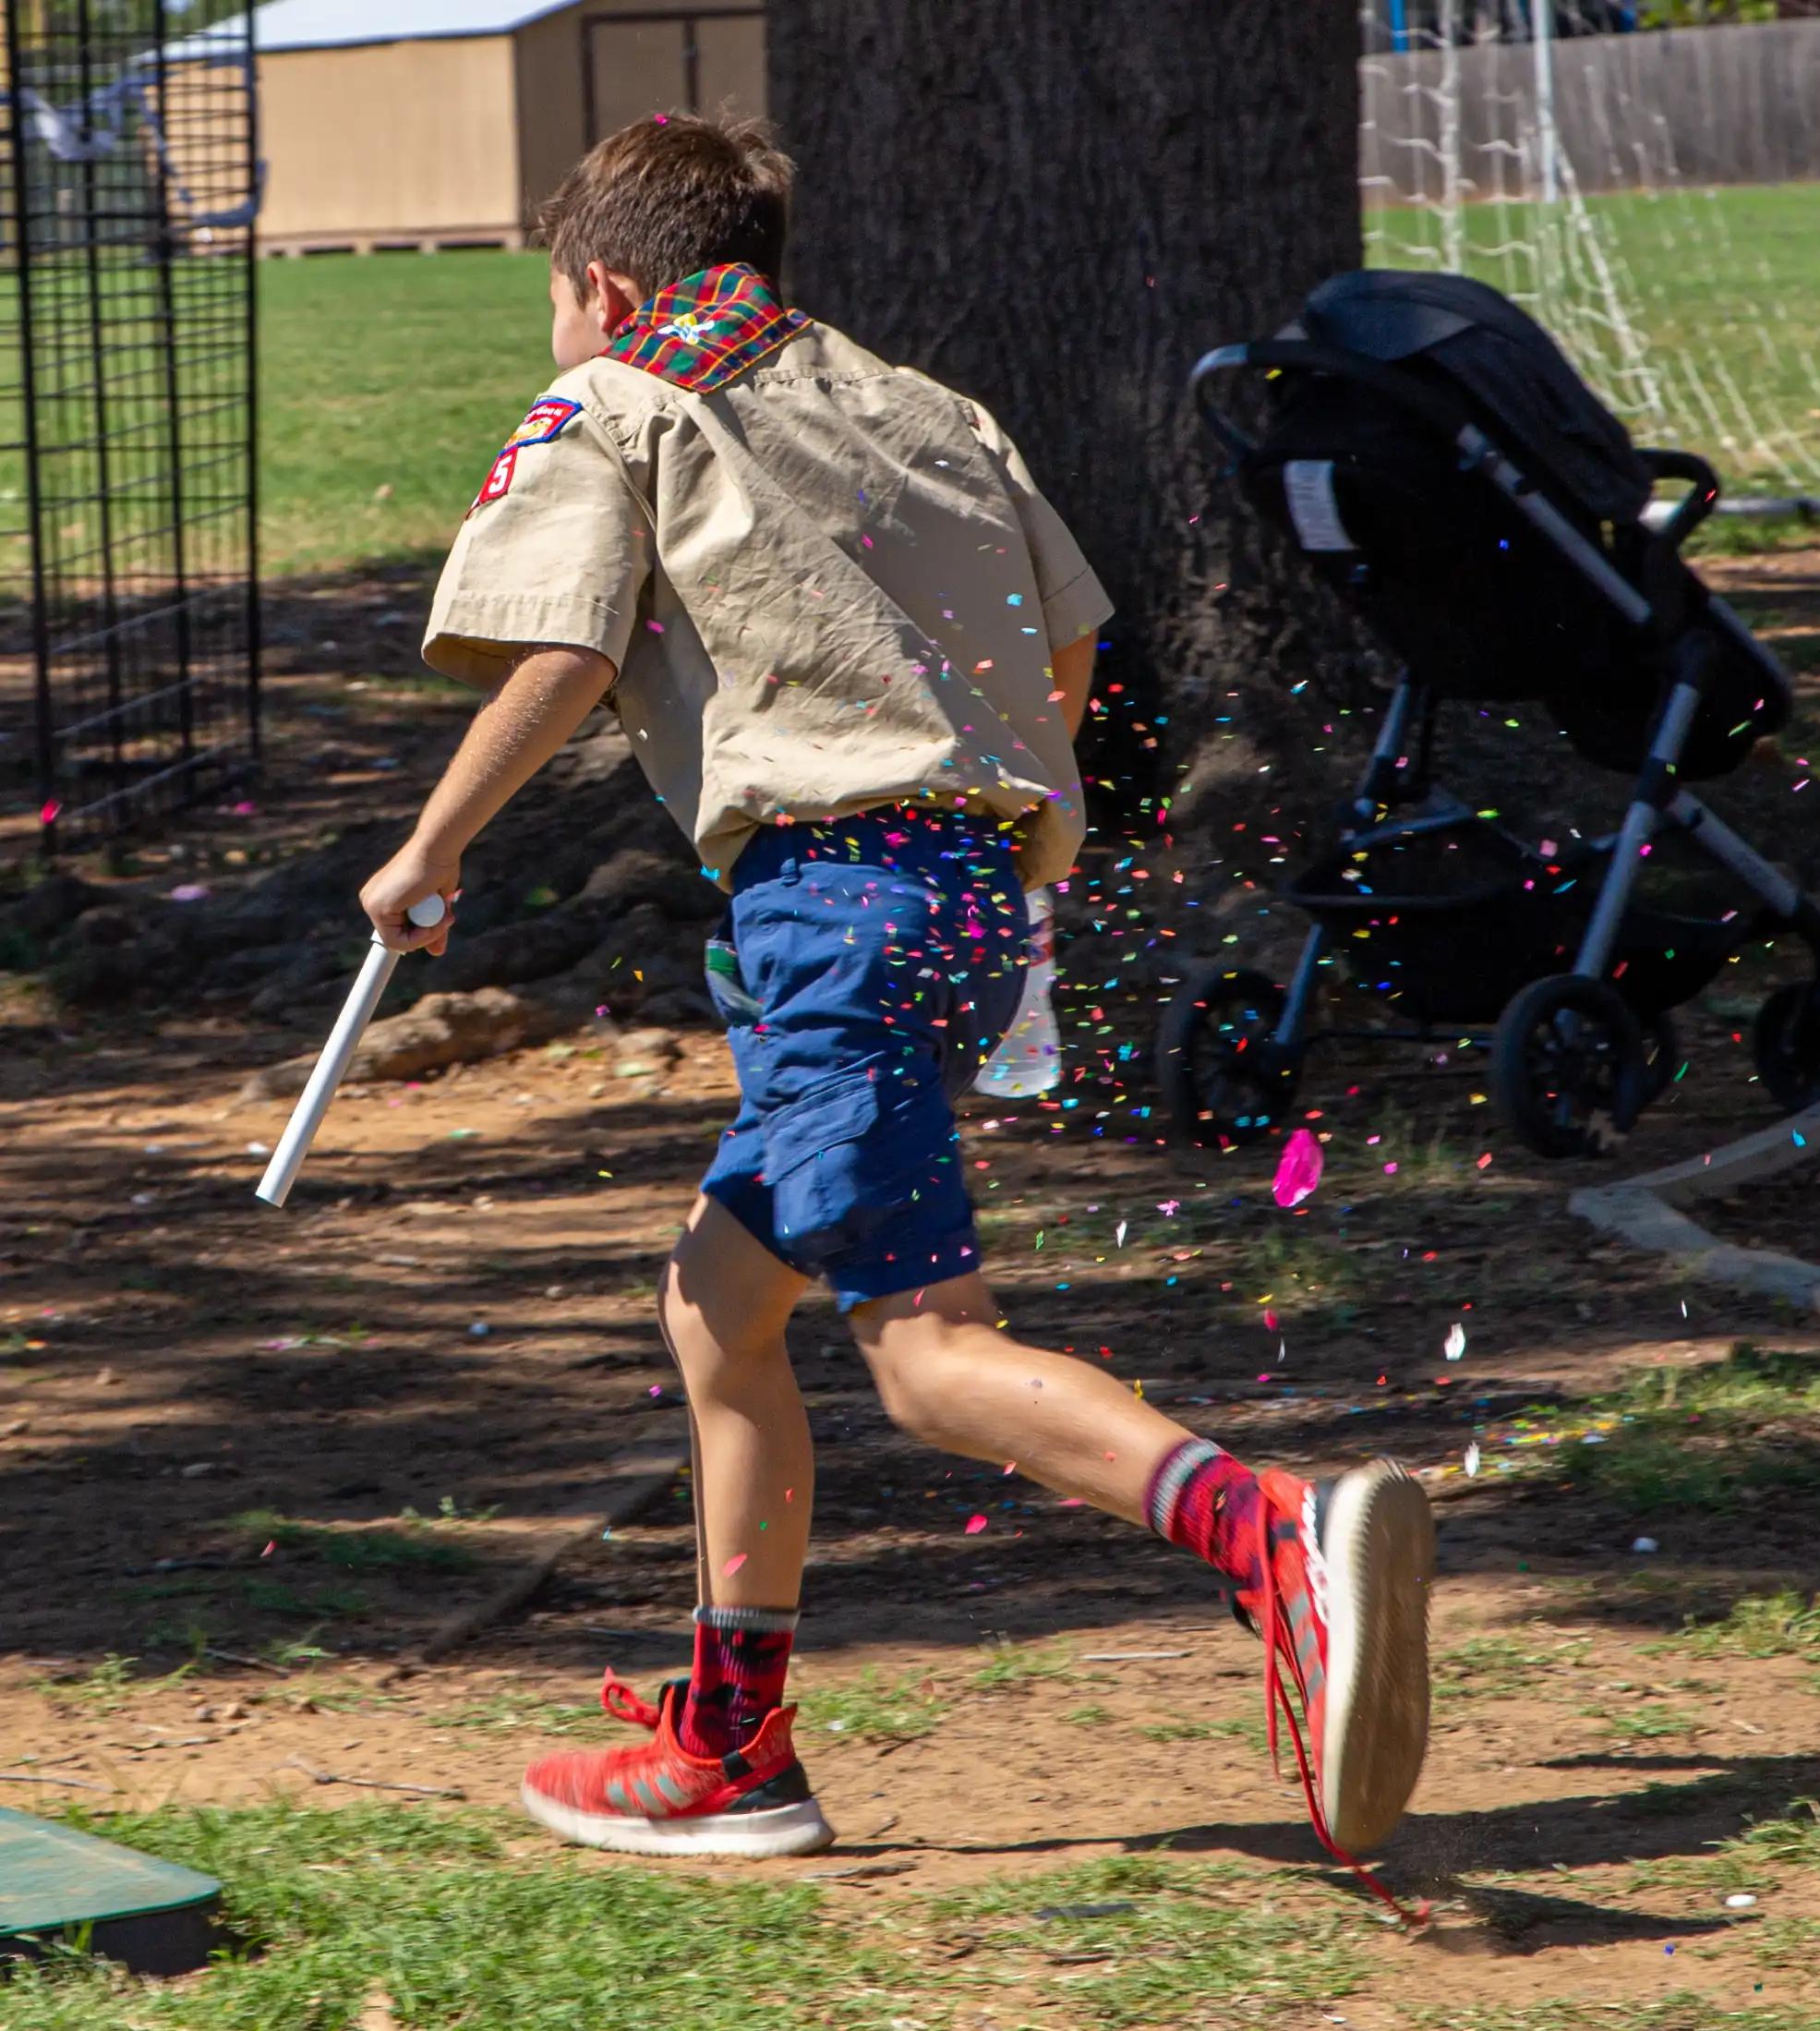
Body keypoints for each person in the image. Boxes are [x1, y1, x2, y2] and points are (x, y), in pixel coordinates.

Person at [356, 115, 1435, 1878]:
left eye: (557, 296)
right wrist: (992, 819)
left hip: (835, 903)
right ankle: (734, 1747)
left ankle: (1278, 1539)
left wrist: (431, 852)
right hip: (960, 894)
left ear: (608, 284)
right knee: (720, 1305)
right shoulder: (929, 405)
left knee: (927, 1356)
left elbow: (556, 650)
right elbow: (1071, 641)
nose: (554, 331)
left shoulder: (616, 399)